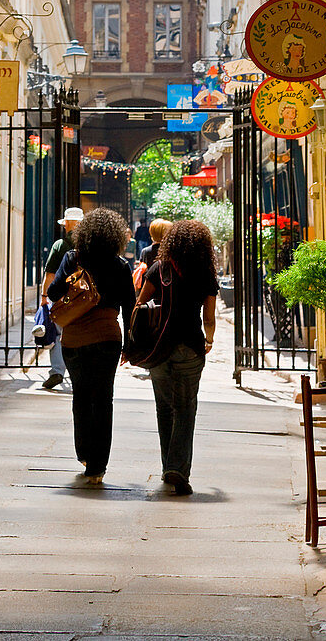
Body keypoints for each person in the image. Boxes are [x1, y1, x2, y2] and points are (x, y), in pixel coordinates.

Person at [47, 207, 135, 485]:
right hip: (108, 337)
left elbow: (52, 292)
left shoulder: (73, 258)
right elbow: (130, 306)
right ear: (116, 237)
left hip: (74, 338)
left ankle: (84, 453)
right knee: (103, 400)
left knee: (81, 397)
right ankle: (98, 465)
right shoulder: (120, 265)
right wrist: (131, 345)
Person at [136, 219, 218, 496]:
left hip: (160, 347)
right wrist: (209, 339)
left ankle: (167, 466)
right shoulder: (205, 272)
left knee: (163, 408)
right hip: (190, 347)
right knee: (185, 408)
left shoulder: (160, 268)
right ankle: (178, 468)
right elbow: (209, 316)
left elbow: (139, 304)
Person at [40, 206, 84, 389]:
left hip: (62, 298)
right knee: (81, 333)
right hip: (84, 298)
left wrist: (44, 296)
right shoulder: (90, 244)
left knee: (58, 334)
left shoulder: (59, 245)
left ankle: (57, 371)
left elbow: (50, 274)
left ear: (67, 224)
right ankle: (79, 372)